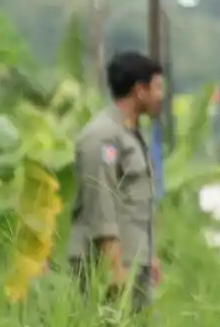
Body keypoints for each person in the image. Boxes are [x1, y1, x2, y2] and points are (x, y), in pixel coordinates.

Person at [68, 50, 165, 305]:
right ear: (139, 90)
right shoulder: (102, 136)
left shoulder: (130, 134)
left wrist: (148, 255)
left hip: (133, 260)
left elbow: (133, 202)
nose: (160, 96)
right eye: (157, 88)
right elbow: (101, 201)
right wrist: (114, 266)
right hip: (108, 264)